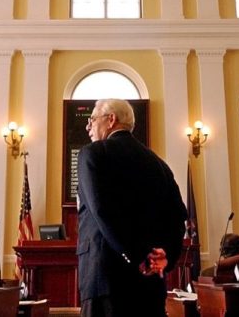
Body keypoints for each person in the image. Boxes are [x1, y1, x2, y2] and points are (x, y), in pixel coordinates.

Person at [76, 99, 187, 317]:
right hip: (150, 281)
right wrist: (166, 256)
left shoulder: (93, 154)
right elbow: (177, 216)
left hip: (105, 279)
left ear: (111, 120)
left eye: (92, 120)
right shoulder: (158, 163)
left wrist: (136, 257)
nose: (88, 126)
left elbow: (101, 211)